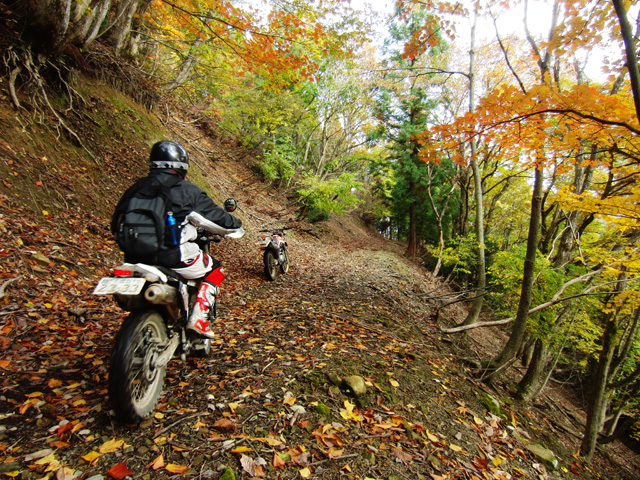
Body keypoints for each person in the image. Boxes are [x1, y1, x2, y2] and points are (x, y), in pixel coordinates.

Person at [110, 140, 242, 339]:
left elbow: (115, 223)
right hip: (171, 257)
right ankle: (199, 319)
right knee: (215, 269)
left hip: (133, 258)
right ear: (182, 164)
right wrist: (236, 224)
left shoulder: (136, 189)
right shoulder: (186, 191)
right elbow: (219, 221)